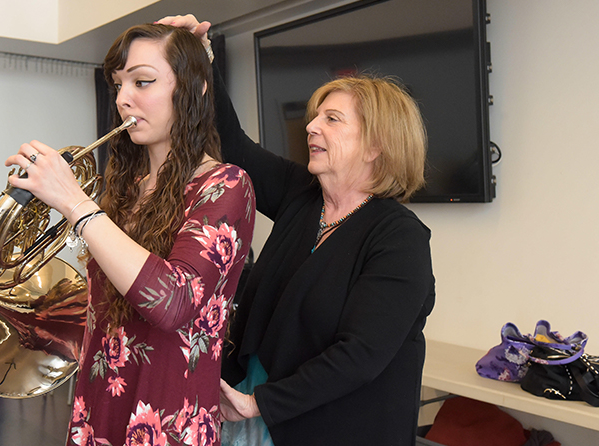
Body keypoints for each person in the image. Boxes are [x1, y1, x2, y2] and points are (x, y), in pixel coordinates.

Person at [157, 15, 436, 446]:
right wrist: (201, 60)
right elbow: (233, 144)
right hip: (250, 412)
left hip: (325, 427)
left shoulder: (400, 238)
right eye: (314, 116)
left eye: (333, 119)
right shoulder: (301, 195)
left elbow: (359, 356)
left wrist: (261, 403)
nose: (311, 126)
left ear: (377, 145)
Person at [5, 23, 256, 446]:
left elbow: (174, 301)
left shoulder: (227, 185)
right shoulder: (123, 191)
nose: (123, 99)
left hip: (167, 415)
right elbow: (103, 307)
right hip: (100, 401)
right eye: (118, 85)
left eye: (142, 81)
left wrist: (76, 204)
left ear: (193, 88)